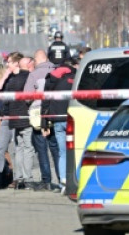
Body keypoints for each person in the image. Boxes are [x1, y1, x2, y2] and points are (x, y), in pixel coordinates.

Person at [42, 55, 76, 193]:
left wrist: (44, 123)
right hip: (73, 119)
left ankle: (63, 183)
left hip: (56, 119)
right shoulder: (76, 77)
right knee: (74, 152)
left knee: (62, 153)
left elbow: (45, 101)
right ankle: (74, 181)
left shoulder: (51, 79)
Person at [26, 50, 57, 191]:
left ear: (37, 61)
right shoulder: (57, 71)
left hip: (38, 114)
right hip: (55, 113)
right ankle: (62, 178)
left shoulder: (34, 74)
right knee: (56, 148)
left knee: (42, 148)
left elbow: (26, 96)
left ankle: (46, 181)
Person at [6, 53, 35, 190]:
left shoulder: (12, 81)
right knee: (28, 148)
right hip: (26, 117)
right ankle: (28, 178)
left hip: (14, 118)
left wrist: (6, 114)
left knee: (18, 148)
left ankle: (18, 178)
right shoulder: (30, 78)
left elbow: (6, 100)